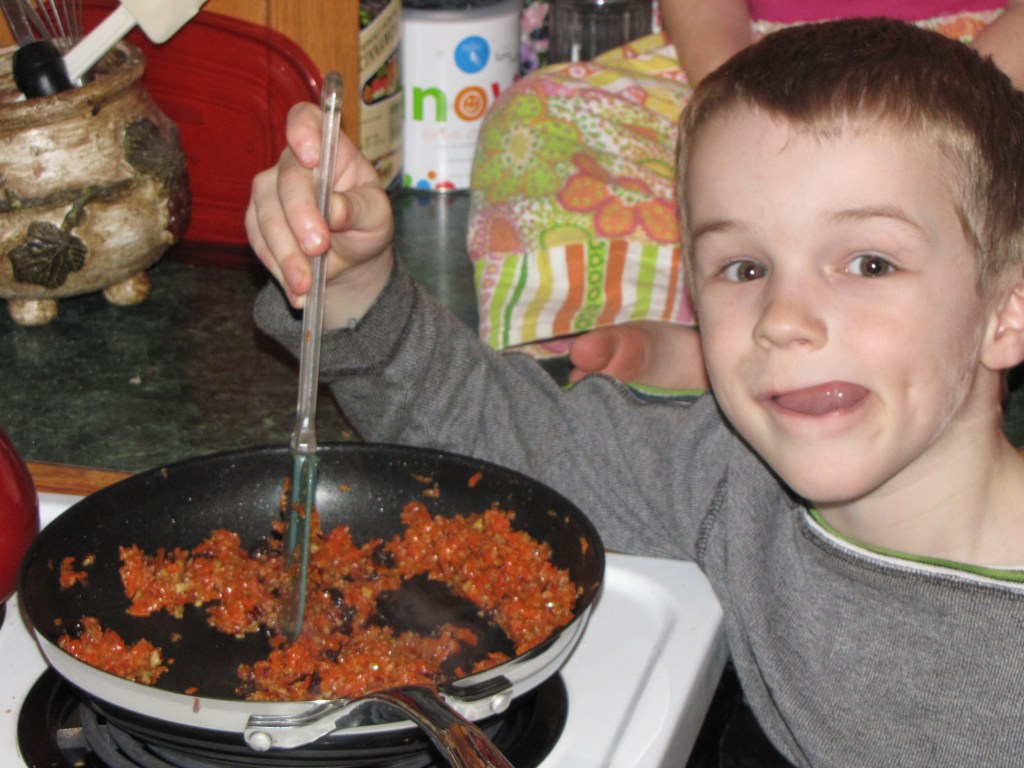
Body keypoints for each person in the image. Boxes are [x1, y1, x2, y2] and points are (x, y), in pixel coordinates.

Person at [247, 18, 1024, 765]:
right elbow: (486, 428)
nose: (783, 320)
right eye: (744, 269)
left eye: (869, 264)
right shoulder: (725, 480)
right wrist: (352, 289)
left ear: (1006, 310)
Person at [469, 0, 1024, 392]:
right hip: (761, 70)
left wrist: (947, 99)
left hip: (982, 67)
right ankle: (715, 350)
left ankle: (956, 345)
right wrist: (748, 119)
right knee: (543, 119)